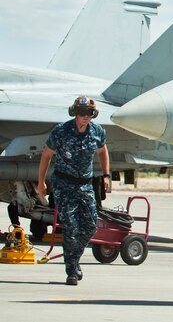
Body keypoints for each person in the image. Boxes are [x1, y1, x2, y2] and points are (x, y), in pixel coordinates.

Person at [38, 96, 110, 286]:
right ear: (74, 113)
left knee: (90, 226)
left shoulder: (97, 132)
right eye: (81, 113)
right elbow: (46, 155)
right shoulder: (61, 131)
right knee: (71, 228)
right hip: (63, 184)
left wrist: (106, 175)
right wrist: (40, 183)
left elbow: (103, 151)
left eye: (88, 113)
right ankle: (71, 270)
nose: (85, 117)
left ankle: (74, 258)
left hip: (85, 185)